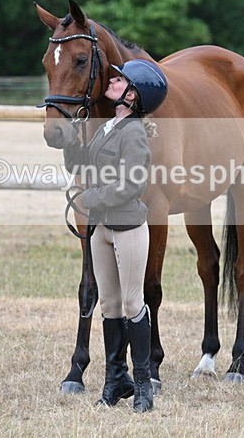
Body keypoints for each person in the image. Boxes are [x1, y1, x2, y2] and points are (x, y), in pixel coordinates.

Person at [63, 59, 168, 411]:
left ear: (132, 94)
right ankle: (114, 381)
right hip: (101, 228)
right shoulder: (108, 126)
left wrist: (88, 198)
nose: (112, 80)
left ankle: (142, 387)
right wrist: (70, 139)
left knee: (133, 303)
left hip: (127, 228)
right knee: (108, 305)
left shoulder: (135, 133)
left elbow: (131, 185)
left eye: (120, 79)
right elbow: (81, 166)